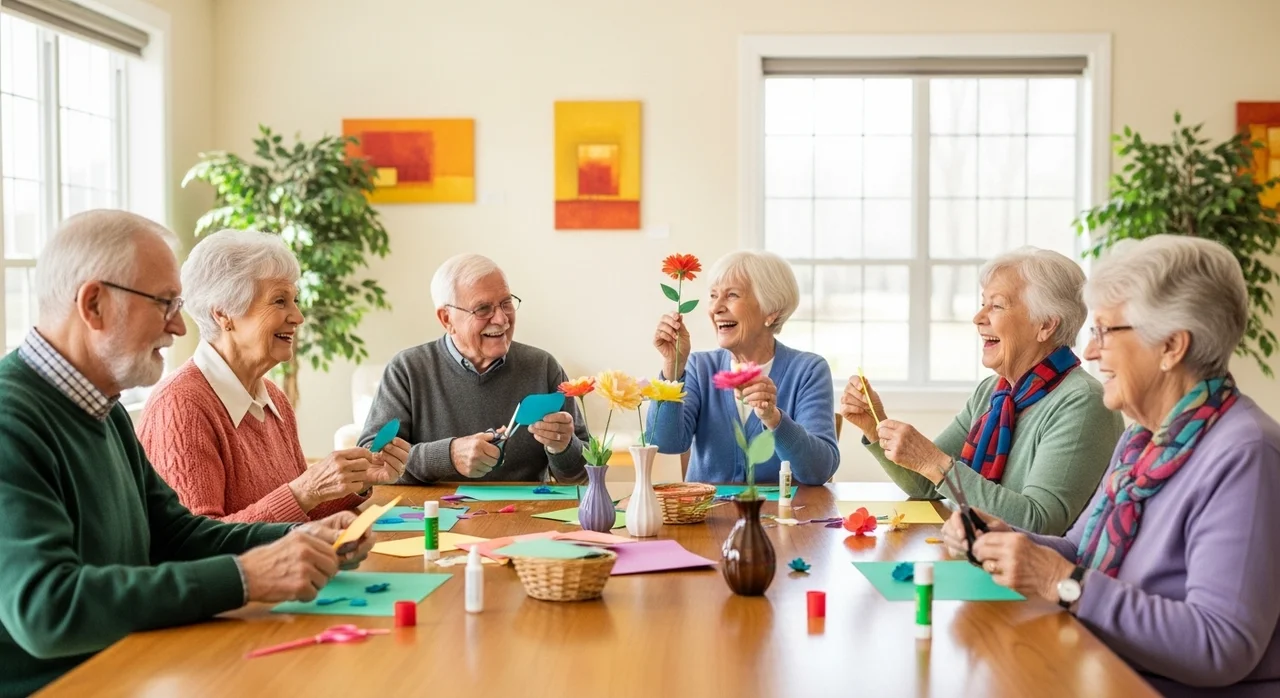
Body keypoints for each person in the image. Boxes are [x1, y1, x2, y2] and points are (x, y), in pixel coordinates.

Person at [0, 211, 373, 698]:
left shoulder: (103, 408)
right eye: (164, 304)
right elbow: (48, 609)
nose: (179, 327)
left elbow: (175, 534)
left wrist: (298, 539)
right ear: (94, 305)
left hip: (135, 663)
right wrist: (245, 576)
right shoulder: (13, 421)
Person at [947, 236, 1280, 696]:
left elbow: (1221, 646)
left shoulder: (1246, 454)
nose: (1089, 352)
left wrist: (1058, 580)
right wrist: (1003, 539)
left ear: (1170, 346)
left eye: (1105, 331)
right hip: (1097, 668)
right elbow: (1079, 554)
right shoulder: (1140, 441)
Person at [841, 247, 1122, 534]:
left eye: (996, 306)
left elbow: (1039, 522)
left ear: (1046, 325)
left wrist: (935, 463)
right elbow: (926, 483)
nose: (978, 317)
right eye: (982, 303)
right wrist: (875, 427)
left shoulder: (1082, 402)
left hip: (1040, 571)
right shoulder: (994, 392)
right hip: (983, 555)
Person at [138, 229, 406, 522]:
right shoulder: (180, 406)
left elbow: (299, 511)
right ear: (223, 313)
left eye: (295, 300)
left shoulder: (273, 397)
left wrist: (358, 479)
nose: (298, 317)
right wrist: (305, 491)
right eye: (280, 301)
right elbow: (195, 545)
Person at [359, 253, 588, 483]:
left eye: (506, 303)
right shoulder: (407, 370)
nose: (501, 319)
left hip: (525, 514)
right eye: (483, 309)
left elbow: (581, 475)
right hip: (431, 513)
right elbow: (372, 460)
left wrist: (563, 448)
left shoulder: (543, 367)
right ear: (446, 319)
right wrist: (447, 456)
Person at [648, 250, 839, 485]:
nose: (716, 308)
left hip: (784, 517)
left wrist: (774, 419)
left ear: (771, 311)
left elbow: (818, 470)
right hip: (707, 518)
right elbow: (665, 442)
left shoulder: (808, 371)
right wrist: (672, 367)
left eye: (732, 295)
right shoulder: (700, 367)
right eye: (713, 295)